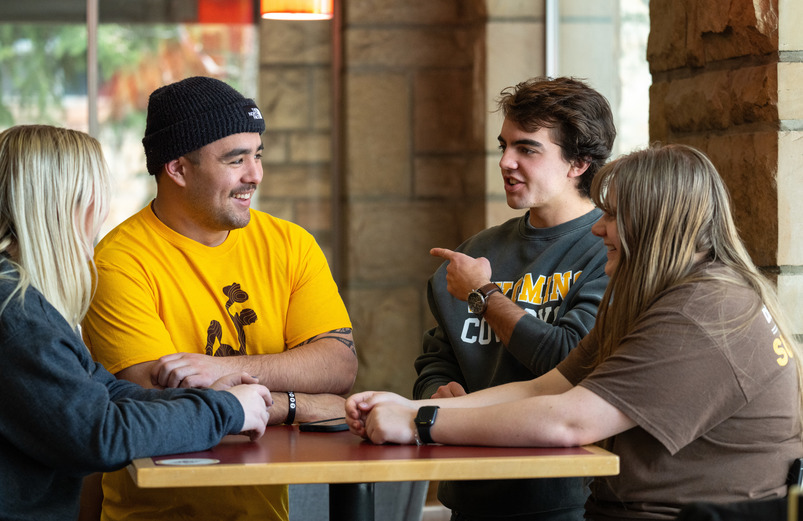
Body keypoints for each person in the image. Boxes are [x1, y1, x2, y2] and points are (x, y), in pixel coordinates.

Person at [348, 143, 803, 521]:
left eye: (613, 216)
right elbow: (548, 386)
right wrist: (413, 406)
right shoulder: (661, 296)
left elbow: (571, 420)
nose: (599, 229)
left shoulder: (704, 310)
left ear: (654, 226)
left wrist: (419, 425)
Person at [82, 76, 357, 520]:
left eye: (258, 155)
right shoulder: (118, 262)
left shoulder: (291, 244)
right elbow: (154, 400)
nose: (256, 175)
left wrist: (223, 370)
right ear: (178, 169)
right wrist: (300, 404)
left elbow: (338, 364)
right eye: (236, 160)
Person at [0, 124, 273, 521]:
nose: (100, 211)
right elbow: (102, 433)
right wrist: (226, 410)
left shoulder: (21, 299)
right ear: (59, 204)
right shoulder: (18, 315)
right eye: (92, 194)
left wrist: (211, 398)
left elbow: (104, 389)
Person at [413, 76, 616, 520]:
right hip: (469, 495)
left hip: (564, 500)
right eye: (503, 146)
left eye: (527, 149)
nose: (506, 162)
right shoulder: (474, 252)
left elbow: (568, 363)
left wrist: (484, 295)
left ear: (578, 162)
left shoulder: (607, 249)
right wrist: (436, 391)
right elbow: (437, 358)